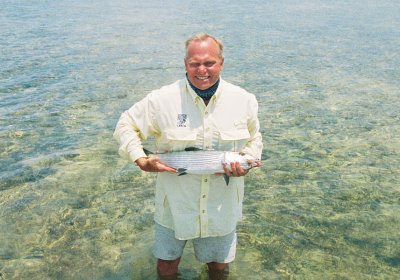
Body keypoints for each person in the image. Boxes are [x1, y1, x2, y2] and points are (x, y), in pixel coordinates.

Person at [114, 33, 263, 279]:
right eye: (194, 63)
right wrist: (140, 159)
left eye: (209, 63)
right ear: (185, 64)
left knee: (219, 267)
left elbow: (255, 138)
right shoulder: (162, 99)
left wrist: (248, 159)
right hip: (175, 205)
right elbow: (125, 123)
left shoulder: (244, 100)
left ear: (222, 63)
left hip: (221, 207)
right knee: (167, 267)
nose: (202, 70)